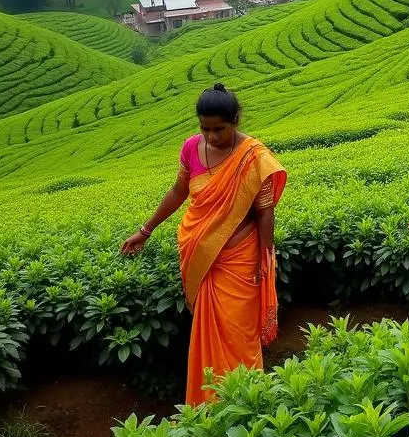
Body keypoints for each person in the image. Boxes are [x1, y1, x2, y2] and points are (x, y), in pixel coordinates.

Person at [120, 83, 286, 405]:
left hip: (239, 259)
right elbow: (178, 192)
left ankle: (248, 406)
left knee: (240, 336)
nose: (211, 137)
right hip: (200, 254)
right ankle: (210, 409)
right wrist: (146, 229)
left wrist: (265, 260)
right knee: (207, 336)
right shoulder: (190, 149)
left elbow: (265, 213)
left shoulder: (254, 156)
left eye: (219, 129)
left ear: (236, 119)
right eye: (205, 129)